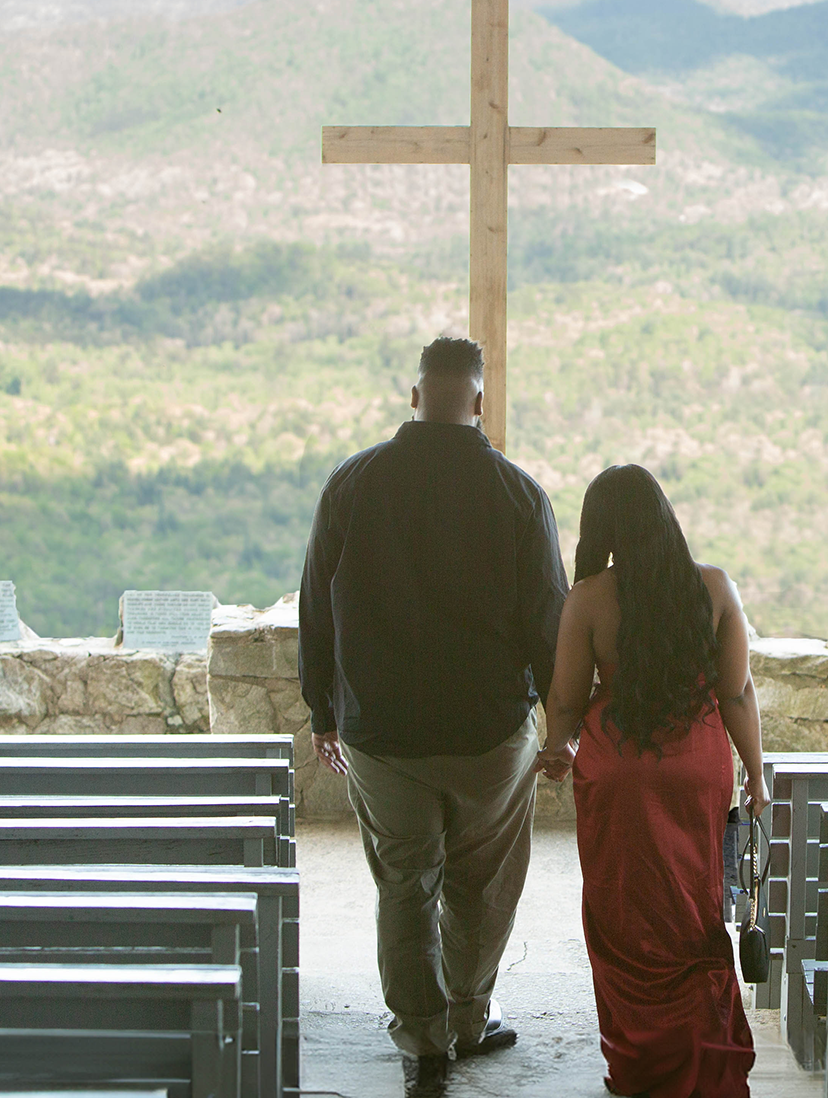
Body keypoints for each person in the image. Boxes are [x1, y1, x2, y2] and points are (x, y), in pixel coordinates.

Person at [298, 336, 569, 1098]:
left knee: (405, 884)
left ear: (414, 396)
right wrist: (562, 726)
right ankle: (468, 1018)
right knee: (481, 887)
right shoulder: (519, 495)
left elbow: (316, 603)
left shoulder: (352, 485)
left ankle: (422, 1044)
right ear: (478, 402)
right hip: (488, 734)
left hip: (380, 733)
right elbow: (546, 622)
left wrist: (323, 708)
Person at [537, 463, 768, 1098]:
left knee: (620, 911)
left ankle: (639, 1064)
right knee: (695, 908)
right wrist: (755, 772)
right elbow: (737, 693)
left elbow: (564, 698)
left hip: (618, 773)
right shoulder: (715, 588)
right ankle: (706, 1057)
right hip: (696, 769)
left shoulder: (588, 598)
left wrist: (557, 748)